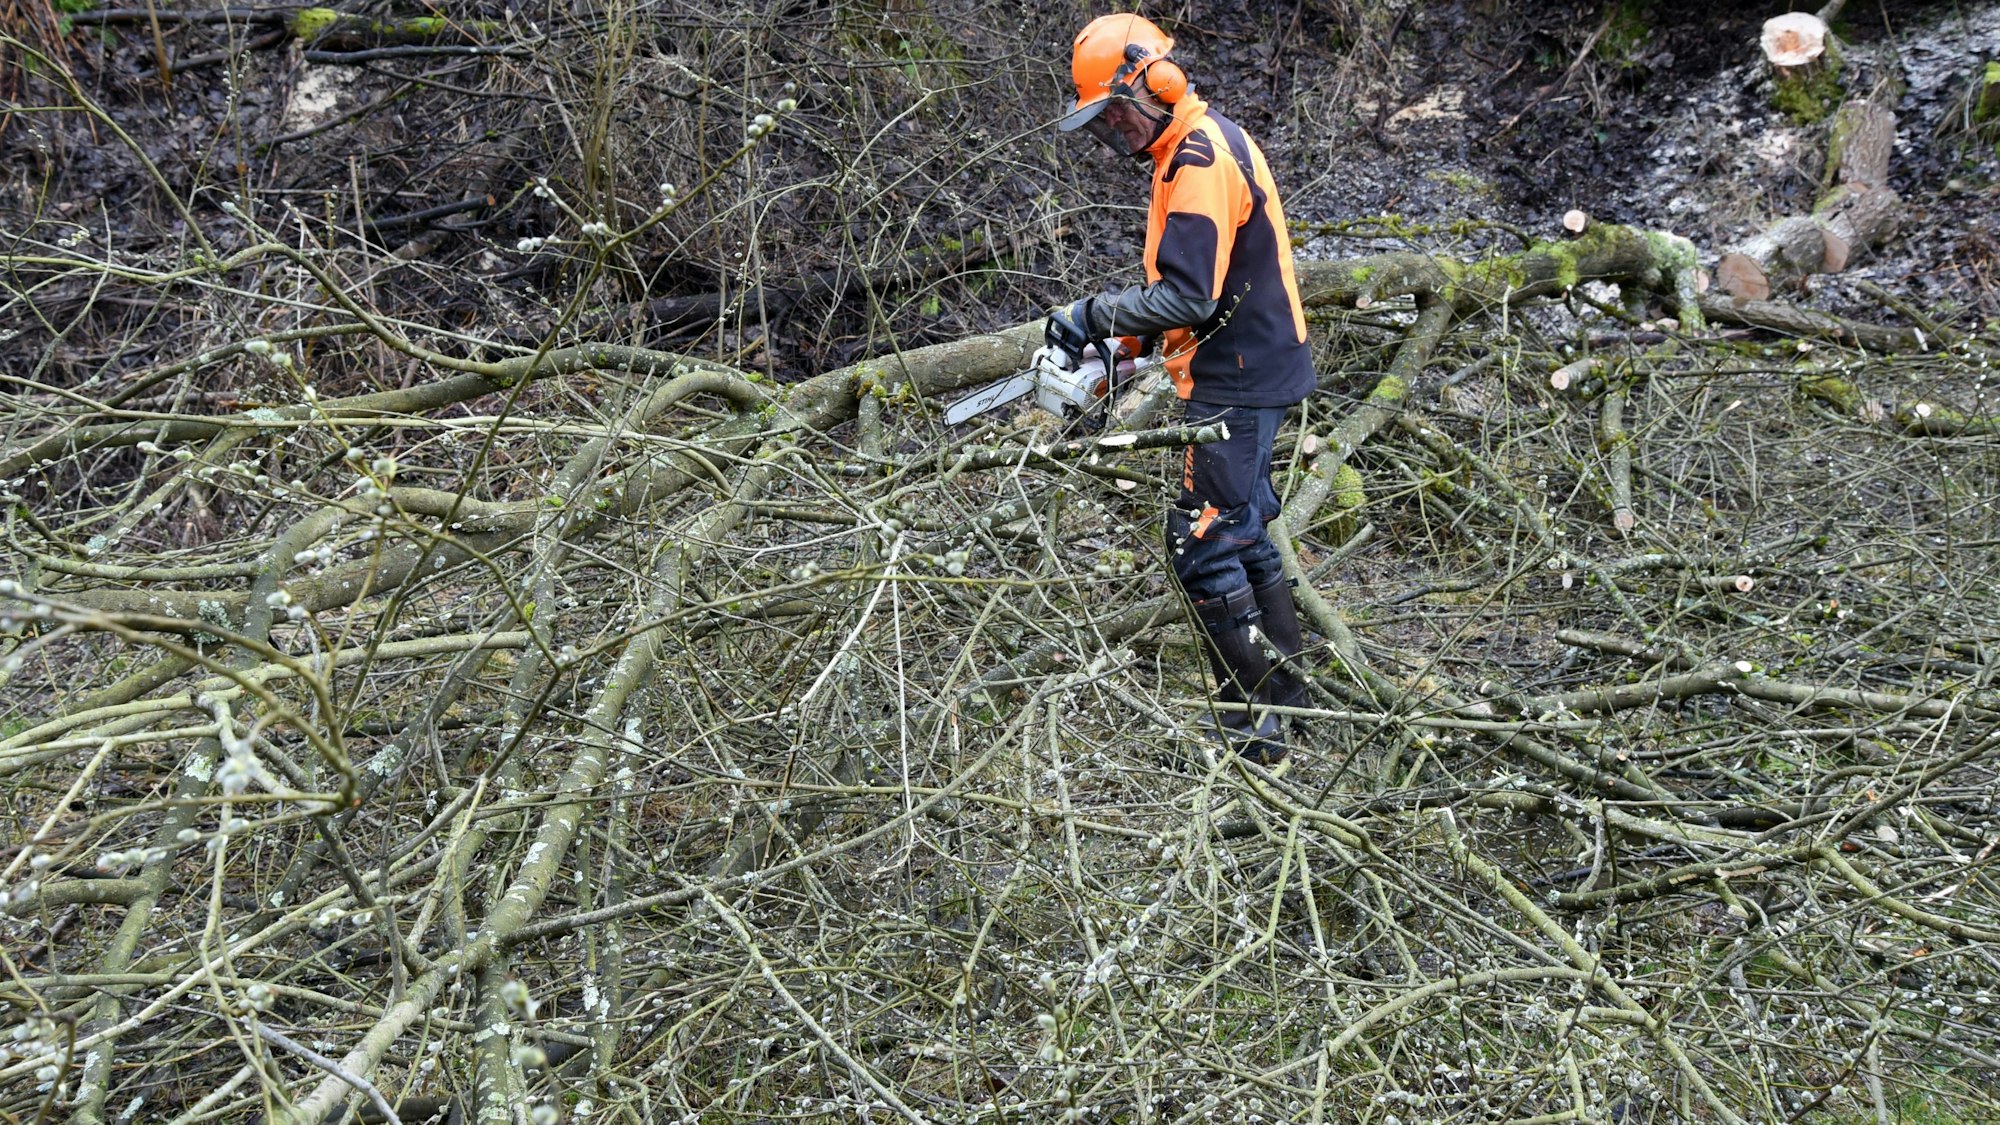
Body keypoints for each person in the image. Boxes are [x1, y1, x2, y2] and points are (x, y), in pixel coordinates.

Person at [1045, 12, 1316, 764]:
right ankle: (1288, 694)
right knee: (1244, 529)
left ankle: (1254, 727)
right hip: (1250, 366)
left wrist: (1092, 314)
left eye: (1118, 113)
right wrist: (1127, 346)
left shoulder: (1199, 158)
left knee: (1202, 542)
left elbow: (1192, 298)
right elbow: (1190, 288)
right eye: (1104, 122)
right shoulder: (1190, 146)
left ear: (1154, 83)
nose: (1116, 132)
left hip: (1236, 377)